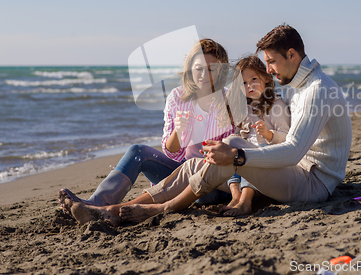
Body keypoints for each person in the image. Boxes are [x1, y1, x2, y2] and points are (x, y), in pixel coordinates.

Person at [60, 25, 352, 226]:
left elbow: (292, 152)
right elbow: (174, 150)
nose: (270, 70)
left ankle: (159, 208)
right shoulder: (302, 86)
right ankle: (112, 209)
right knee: (196, 163)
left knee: (232, 149)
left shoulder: (316, 90)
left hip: (314, 183)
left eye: (272, 62)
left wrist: (238, 156)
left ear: (292, 55)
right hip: (296, 173)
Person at [58, 38, 234, 209]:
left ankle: (111, 209)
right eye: (199, 68)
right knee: (137, 151)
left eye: (211, 69)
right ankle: (98, 202)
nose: (203, 75)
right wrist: (179, 131)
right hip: (179, 176)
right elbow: (172, 152)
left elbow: (236, 148)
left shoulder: (230, 100)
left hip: (213, 186)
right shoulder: (177, 97)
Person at [220, 55, 290, 216]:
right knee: (229, 145)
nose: (249, 85)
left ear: (266, 78)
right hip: (245, 158)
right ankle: (235, 195)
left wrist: (268, 134)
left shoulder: (276, 105)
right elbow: (239, 135)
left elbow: (286, 136)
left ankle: (246, 200)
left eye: (253, 79)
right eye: (244, 83)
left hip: (267, 157)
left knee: (253, 152)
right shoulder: (244, 107)